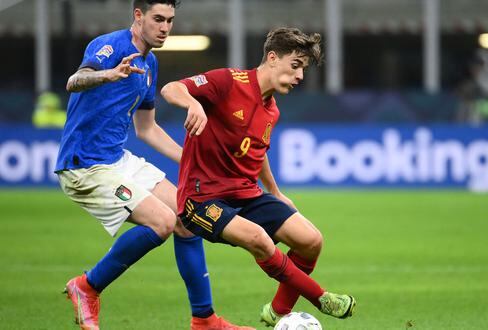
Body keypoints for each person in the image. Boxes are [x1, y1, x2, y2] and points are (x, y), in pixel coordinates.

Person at [55, 1, 253, 329]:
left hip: (116, 159)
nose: (165, 27)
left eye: (170, 20)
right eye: (158, 19)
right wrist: (109, 74)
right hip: (84, 165)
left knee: (188, 217)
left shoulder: (150, 63)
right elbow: (76, 80)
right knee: (162, 222)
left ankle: (204, 320)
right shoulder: (110, 46)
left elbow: (146, 128)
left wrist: (194, 159)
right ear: (138, 16)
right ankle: (86, 287)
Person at [160, 27, 357, 327]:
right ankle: (321, 298)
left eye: (302, 70)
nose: (300, 77)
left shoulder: (271, 110)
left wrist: (275, 192)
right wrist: (192, 103)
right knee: (259, 239)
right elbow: (171, 88)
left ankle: (277, 312)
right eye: (295, 66)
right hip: (200, 199)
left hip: (244, 192)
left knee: (311, 240)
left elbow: (256, 148)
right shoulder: (228, 81)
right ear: (272, 57)